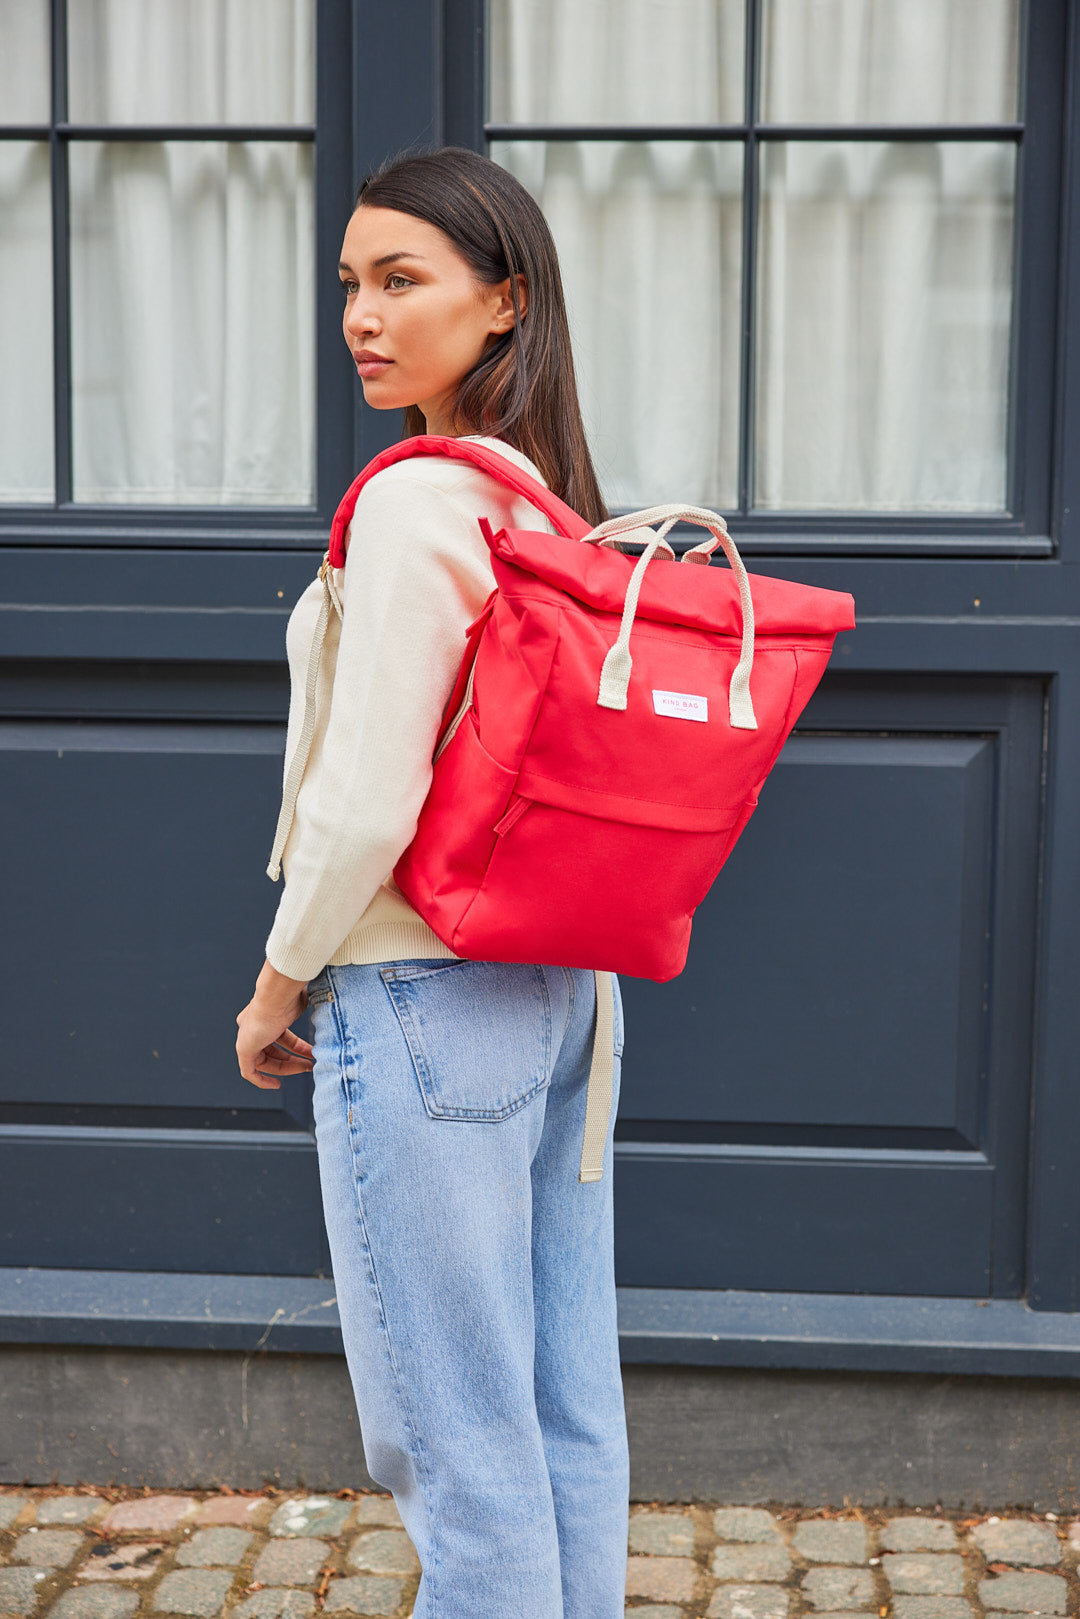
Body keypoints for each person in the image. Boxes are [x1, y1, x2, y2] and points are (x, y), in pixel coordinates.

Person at [234, 146, 629, 1618]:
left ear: (505, 301)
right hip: (560, 1002)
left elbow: (361, 801)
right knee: (558, 1411)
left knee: (459, 1451)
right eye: (352, 282)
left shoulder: (413, 505)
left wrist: (278, 990)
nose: (364, 314)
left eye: (405, 281)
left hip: (416, 996)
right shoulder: (548, 507)